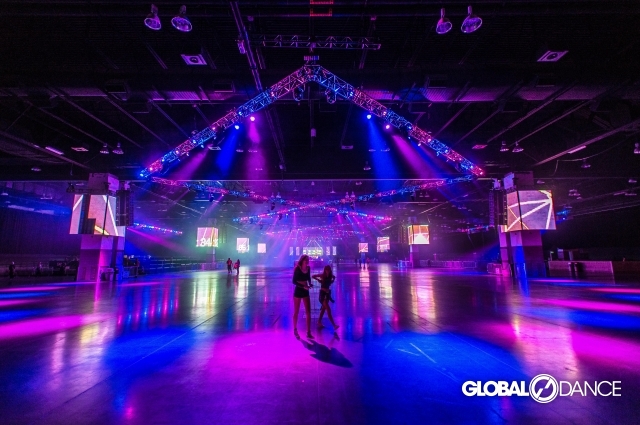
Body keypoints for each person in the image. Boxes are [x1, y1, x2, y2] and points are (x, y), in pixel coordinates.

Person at [292, 254, 313, 339]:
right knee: (296, 311)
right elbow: (294, 281)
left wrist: (310, 283)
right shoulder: (297, 269)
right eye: (306, 260)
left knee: (308, 311)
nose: (307, 261)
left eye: (308, 260)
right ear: (302, 260)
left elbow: (308, 278)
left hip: (305, 290)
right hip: (298, 290)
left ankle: (308, 332)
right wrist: (303, 286)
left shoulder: (308, 268)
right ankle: (295, 329)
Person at [313, 265, 339, 330]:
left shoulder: (331, 276)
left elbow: (333, 279)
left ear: (330, 270)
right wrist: (319, 280)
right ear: (324, 270)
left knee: (323, 309)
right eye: (326, 270)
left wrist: (332, 280)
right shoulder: (322, 275)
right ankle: (334, 325)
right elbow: (313, 276)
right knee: (328, 309)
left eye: (328, 270)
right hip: (322, 294)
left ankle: (319, 322)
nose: (327, 271)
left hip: (327, 295)